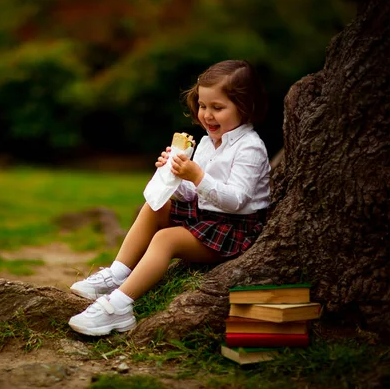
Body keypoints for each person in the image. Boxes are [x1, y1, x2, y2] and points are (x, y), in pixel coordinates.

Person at [68, 60, 271, 336]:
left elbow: (236, 200)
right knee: (155, 205)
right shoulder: (209, 142)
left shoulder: (250, 148)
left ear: (245, 108)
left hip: (234, 229)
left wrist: (197, 175)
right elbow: (191, 193)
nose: (207, 115)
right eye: (202, 106)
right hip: (206, 216)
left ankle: (118, 307)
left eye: (218, 108)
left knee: (166, 239)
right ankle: (117, 273)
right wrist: (173, 175)